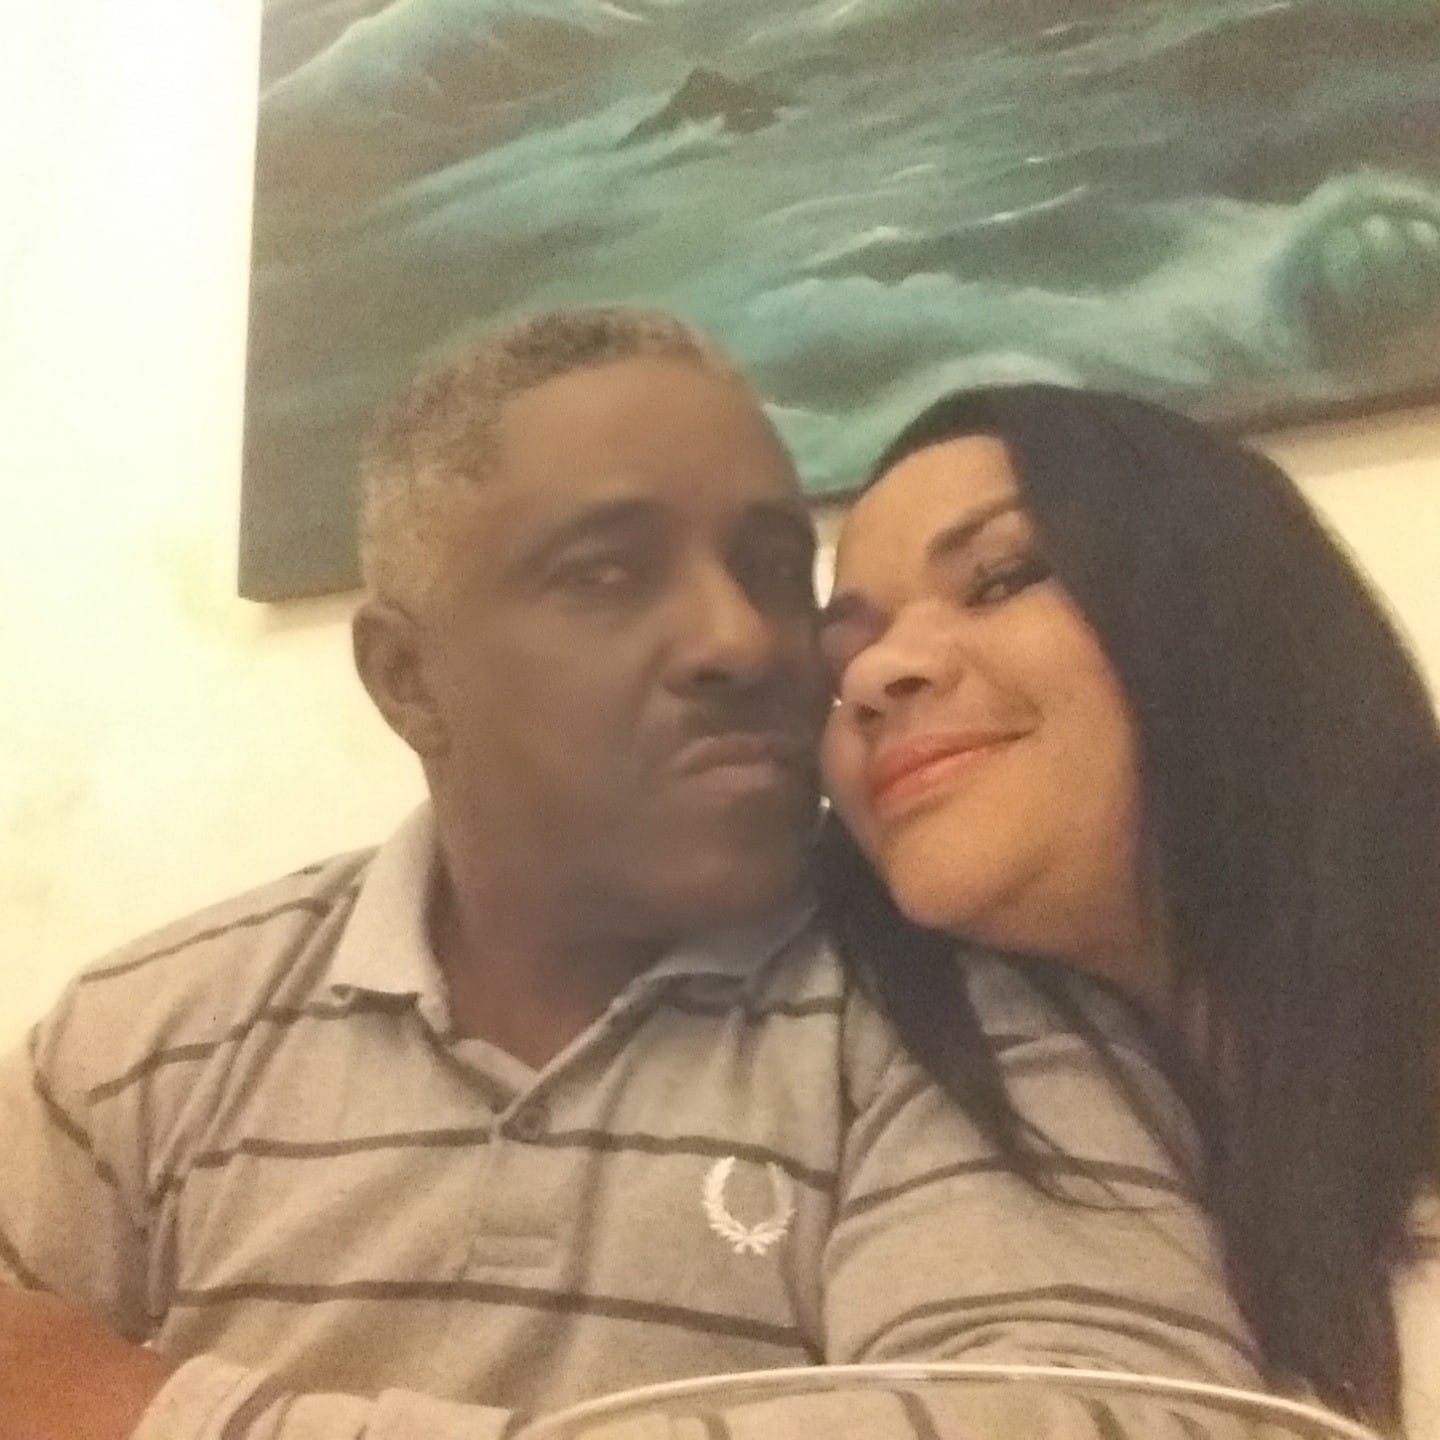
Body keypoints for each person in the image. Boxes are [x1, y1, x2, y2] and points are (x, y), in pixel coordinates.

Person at [0, 313, 1258, 1440]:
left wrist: (156, 1417)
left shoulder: (956, 1004)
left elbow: (1115, 1417)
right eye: (605, 575)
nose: (741, 638)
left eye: (775, 569)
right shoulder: (147, 1040)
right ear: (408, 679)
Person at [817, 382, 1440, 1429]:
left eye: (999, 578)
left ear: (1223, 604)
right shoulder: (889, 1117)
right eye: (840, 663)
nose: (880, 672)